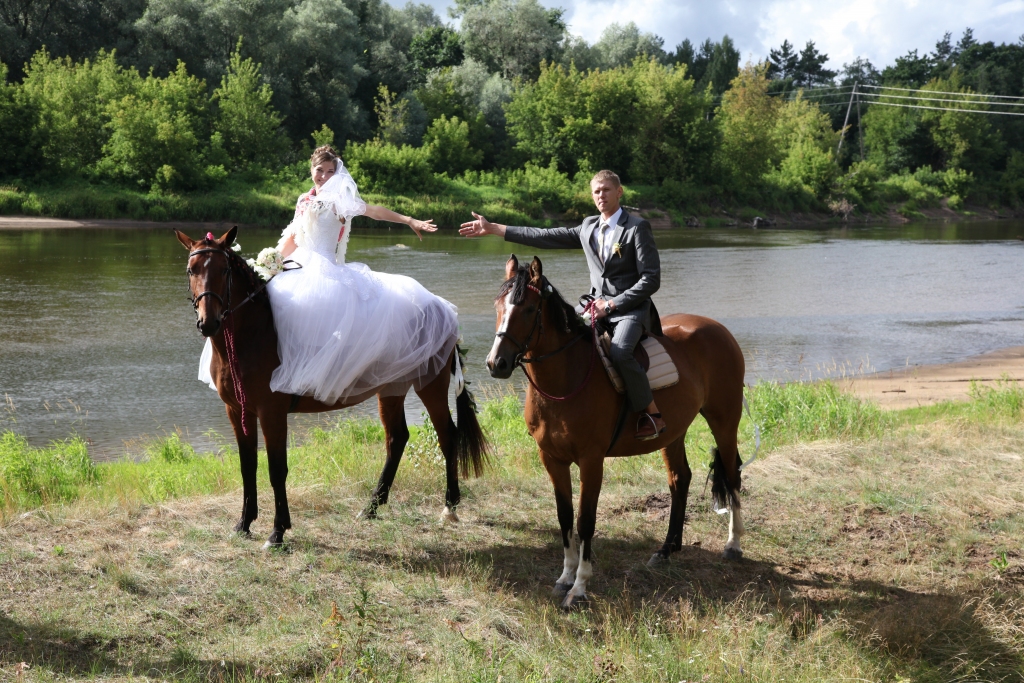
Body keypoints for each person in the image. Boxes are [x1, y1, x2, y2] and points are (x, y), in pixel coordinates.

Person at [199, 145, 459, 404]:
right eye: (319, 170)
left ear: (337, 173)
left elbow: (374, 212)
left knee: (309, 310)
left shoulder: (339, 200)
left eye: (330, 171)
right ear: (311, 170)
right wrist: (269, 262)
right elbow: (293, 238)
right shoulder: (304, 199)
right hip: (297, 263)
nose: (323, 176)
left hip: (324, 268)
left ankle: (314, 377)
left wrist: (409, 220)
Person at [459, 169, 666, 440]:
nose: (600, 196)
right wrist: (495, 229)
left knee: (620, 354)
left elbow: (651, 279)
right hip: (593, 307)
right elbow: (542, 235)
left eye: (606, 190)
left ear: (619, 192)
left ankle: (652, 414)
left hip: (629, 310)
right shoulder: (588, 227)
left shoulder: (637, 228)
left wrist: (612, 305)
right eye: (596, 192)